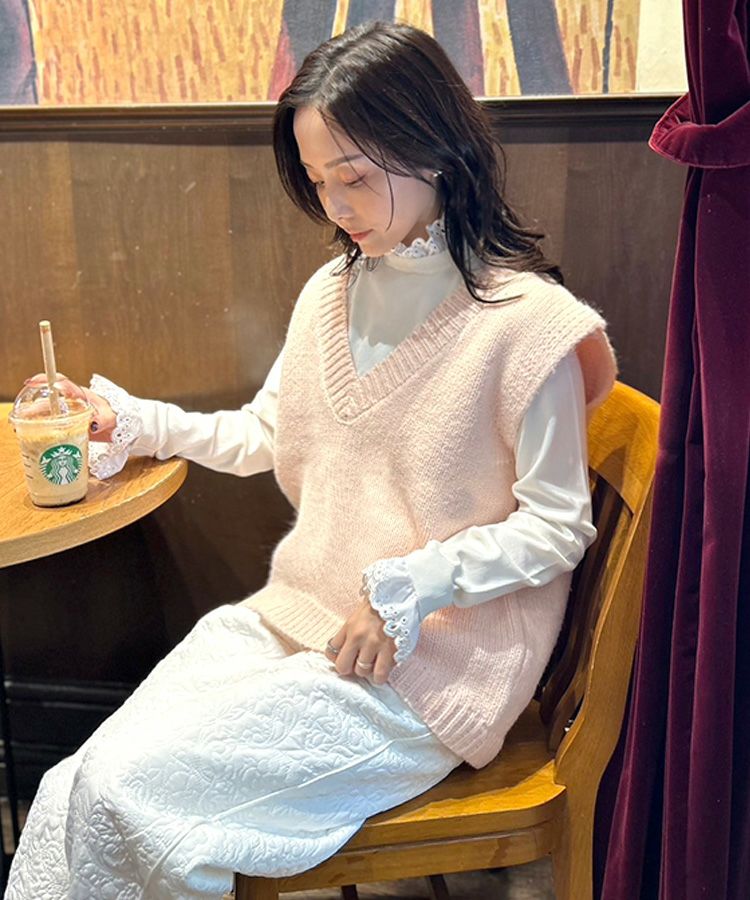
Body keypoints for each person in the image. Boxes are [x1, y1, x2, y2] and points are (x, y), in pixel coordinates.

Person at [6, 20, 616, 900]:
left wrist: (415, 584)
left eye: (355, 177)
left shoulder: (529, 328)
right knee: (75, 782)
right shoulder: (333, 291)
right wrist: (139, 425)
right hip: (298, 617)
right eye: (319, 180)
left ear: (433, 147)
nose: (337, 206)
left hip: (423, 675)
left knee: (123, 795)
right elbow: (268, 432)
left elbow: (558, 528)